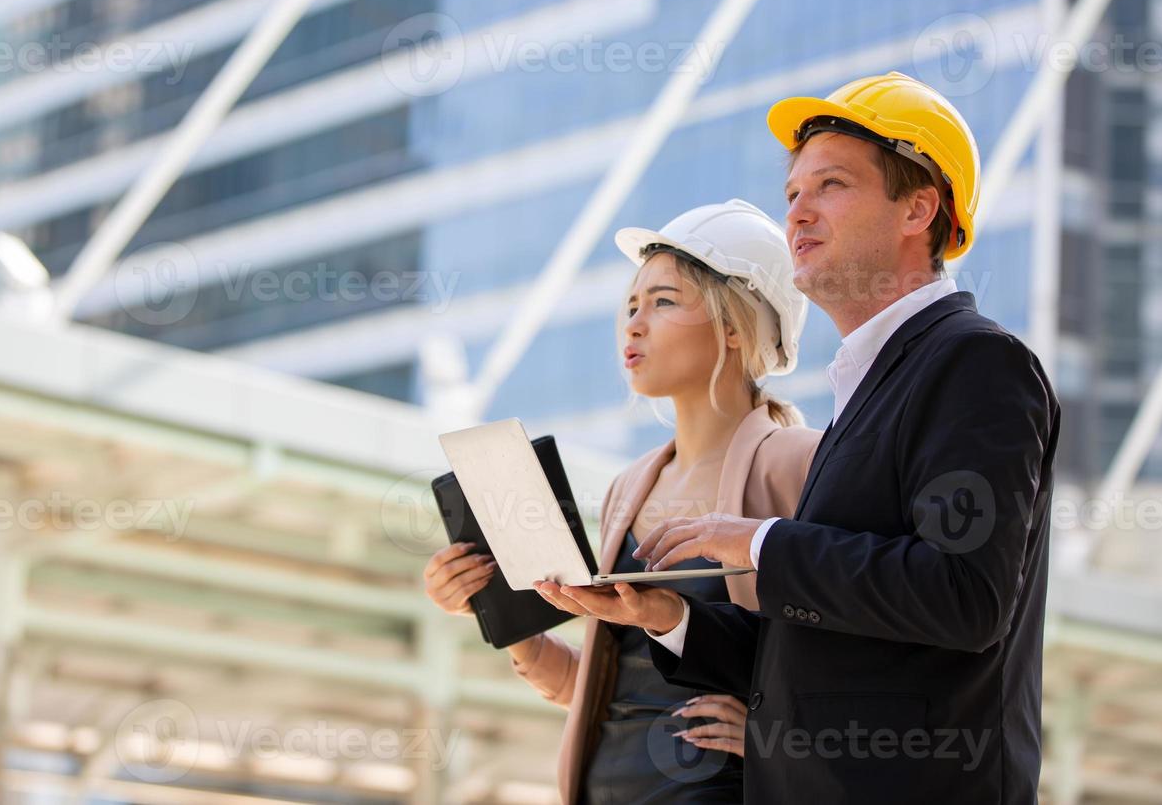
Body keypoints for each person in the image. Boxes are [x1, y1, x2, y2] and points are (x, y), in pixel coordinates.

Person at [561, 71, 1059, 802]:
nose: (798, 213)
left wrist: (760, 543)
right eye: (792, 193)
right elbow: (811, 656)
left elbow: (964, 596)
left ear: (920, 207)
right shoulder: (865, 391)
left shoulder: (977, 362)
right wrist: (663, 616)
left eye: (831, 186)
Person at [422, 199, 821, 803]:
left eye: (663, 301)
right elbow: (606, 688)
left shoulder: (798, 463)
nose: (633, 324)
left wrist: (784, 738)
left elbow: (860, 654)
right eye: (631, 305)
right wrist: (507, 620)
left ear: (736, 326)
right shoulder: (628, 486)